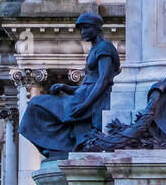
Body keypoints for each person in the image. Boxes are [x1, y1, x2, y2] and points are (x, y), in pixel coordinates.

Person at [19, 13, 120, 158]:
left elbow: (104, 80)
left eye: (86, 28)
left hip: (93, 101)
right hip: (83, 96)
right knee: (36, 105)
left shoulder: (104, 47)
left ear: (97, 28)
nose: (83, 32)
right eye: (81, 29)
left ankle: (58, 145)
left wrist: (86, 105)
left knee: (36, 104)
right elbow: (87, 84)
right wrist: (65, 88)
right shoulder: (94, 49)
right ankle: (56, 146)